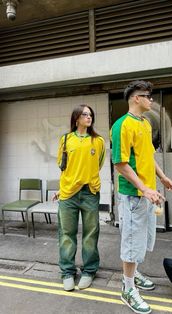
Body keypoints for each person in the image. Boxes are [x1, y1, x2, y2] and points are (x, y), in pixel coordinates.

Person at [111, 80, 172, 314]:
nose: (151, 99)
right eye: (147, 96)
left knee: (141, 241)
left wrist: (163, 178)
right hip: (132, 197)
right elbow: (120, 164)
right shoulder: (122, 125)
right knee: (131, 243)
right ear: (135, 98)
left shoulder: (145, 124)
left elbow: (148, 156)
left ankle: (133, 274)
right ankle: (127, 288)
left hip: (147, 195)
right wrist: (144, 189)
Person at [56, 104, 106, 291]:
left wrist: (85, 178)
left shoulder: (98, 141)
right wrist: (63, 187)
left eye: (91, 114)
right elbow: (62, 165)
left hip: (90, 192)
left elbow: (98, 164)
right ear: (76, 118)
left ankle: (89, 270)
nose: (89, 117)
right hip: (68, 193)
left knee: (90, 234)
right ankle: (68, 272)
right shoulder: (66, 139)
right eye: (85, 114)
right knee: (66, 234)